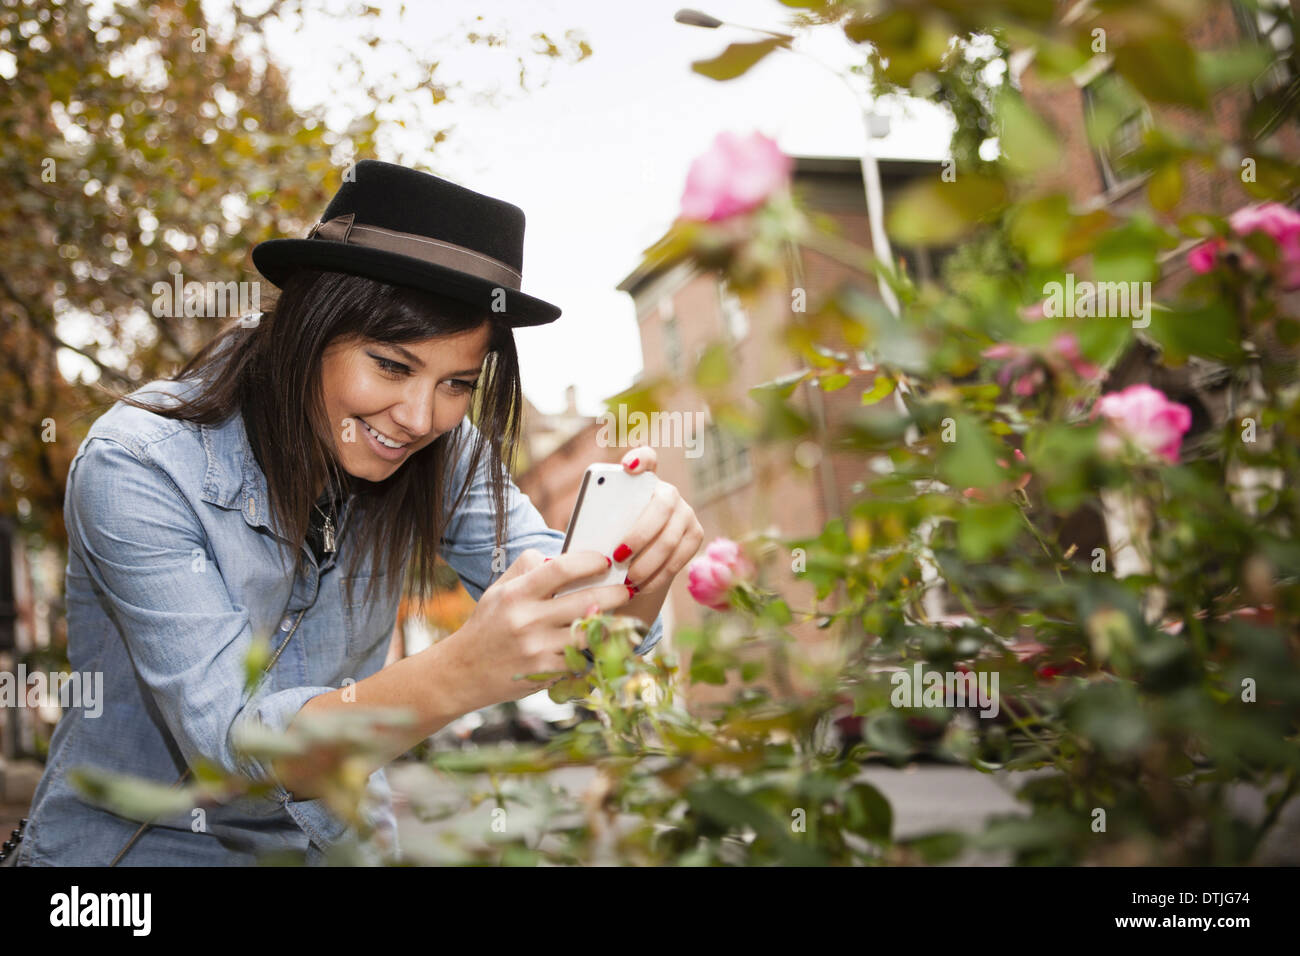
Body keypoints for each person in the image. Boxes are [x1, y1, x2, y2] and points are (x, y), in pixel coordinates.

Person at [14, 160, 703, 866]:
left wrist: (637, 571)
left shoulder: (445, 449)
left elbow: (585, 647)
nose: (418, 417)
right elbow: (240, 754)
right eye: (392, 365)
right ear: (309, 329)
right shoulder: (138, 463)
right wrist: (462, 669)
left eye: (458, 383)